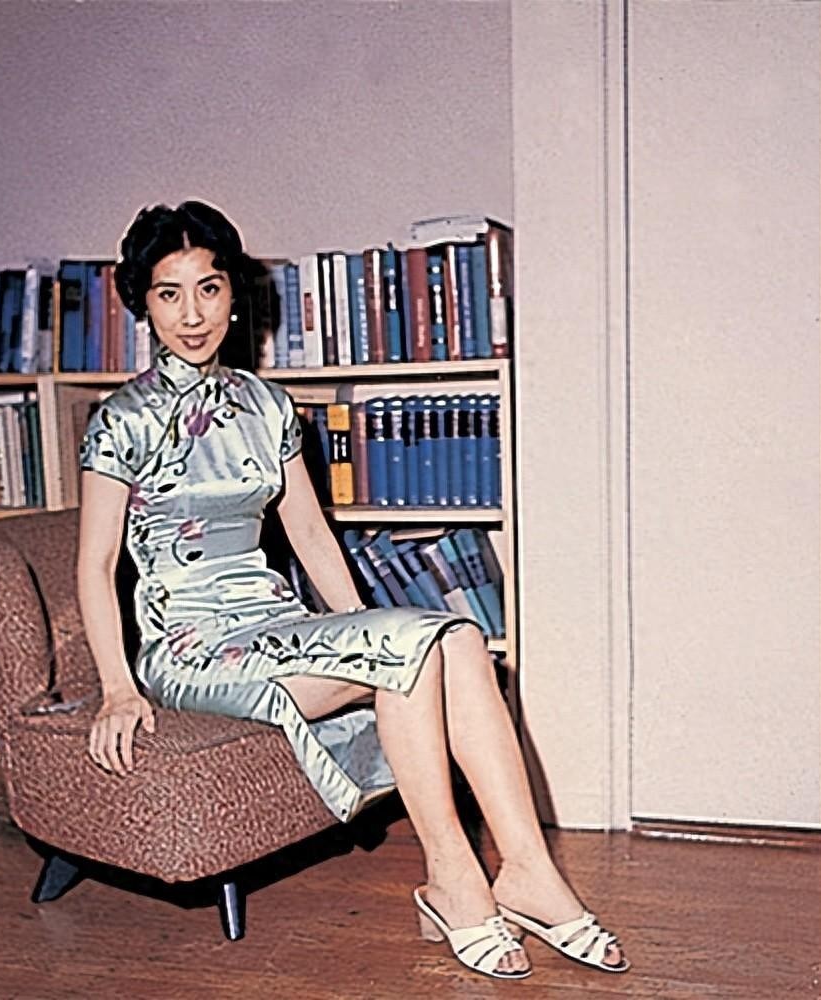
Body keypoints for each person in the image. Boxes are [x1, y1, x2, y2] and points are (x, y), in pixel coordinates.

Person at [77, 200, 629, 980]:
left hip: (271, 620)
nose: (192, 315)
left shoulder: (267, 406)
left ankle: (527, 871)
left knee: (454, 639)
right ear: (143, 303)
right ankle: (455, 880)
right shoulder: (122, 420)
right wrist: (116, 688)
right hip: (191, 647)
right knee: (410, 649)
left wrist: (361, 627)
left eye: (209, 288)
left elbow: (308, 534)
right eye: (170, 293)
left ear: (234, 295)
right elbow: (96, 563)